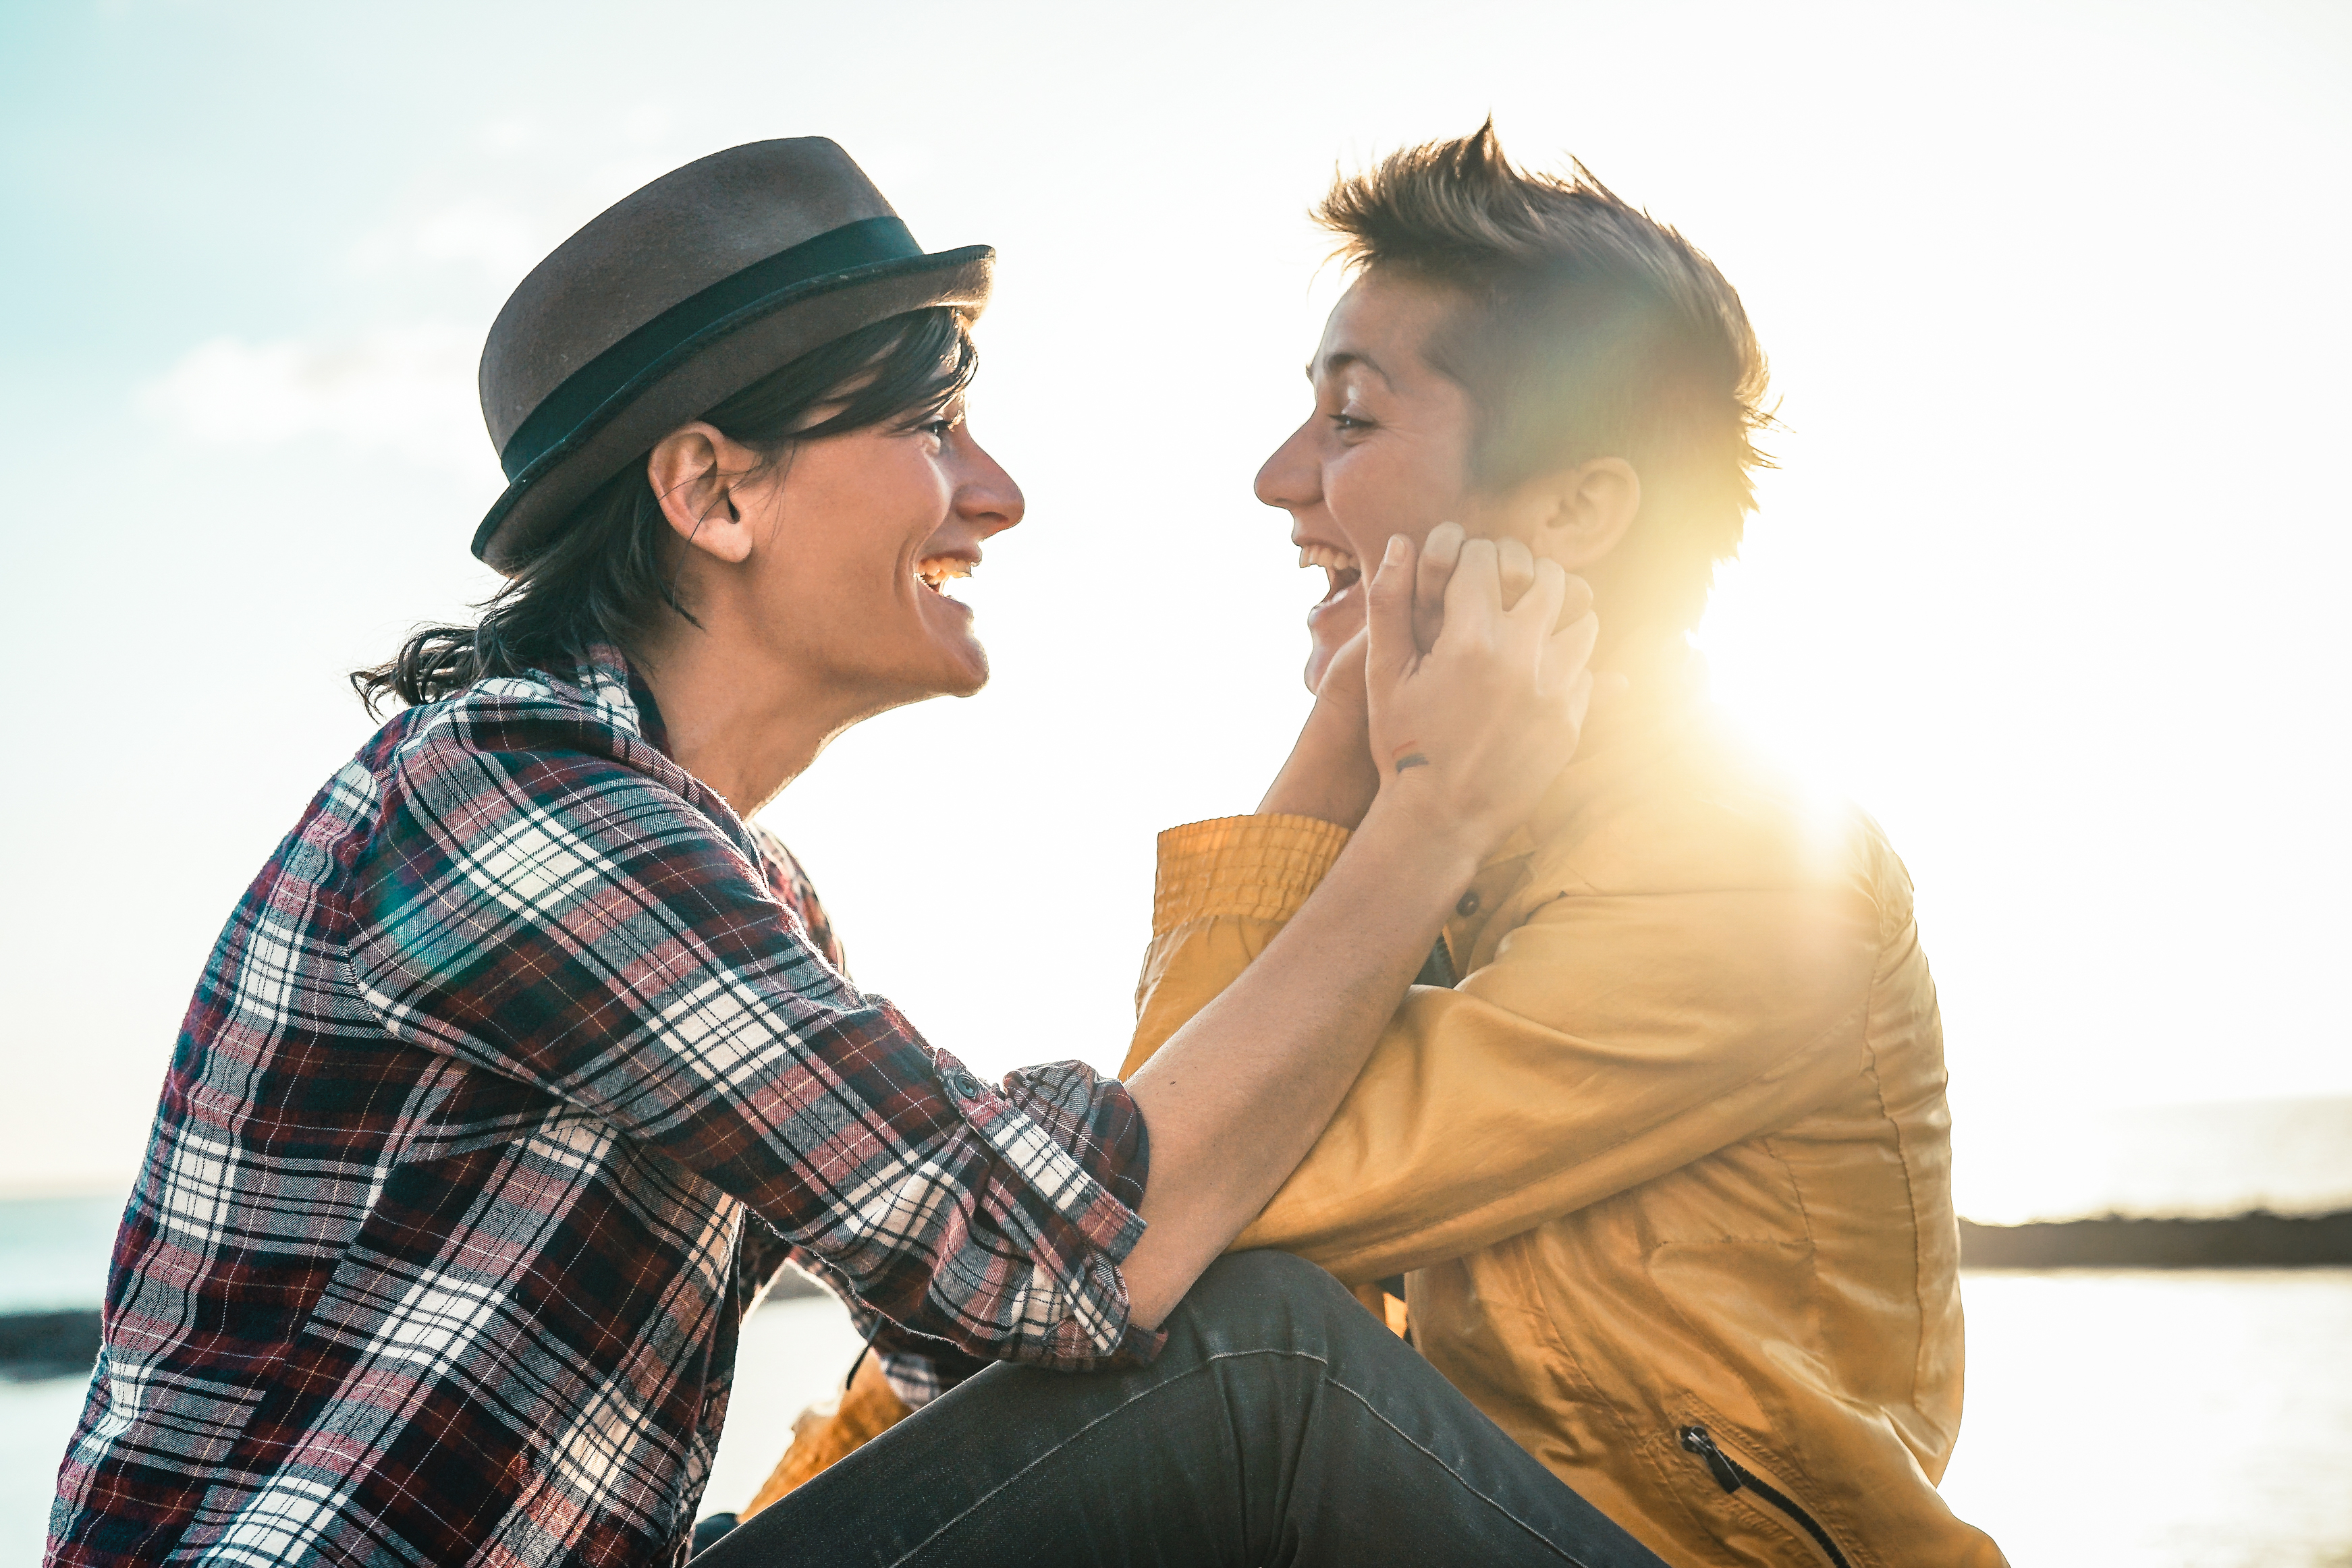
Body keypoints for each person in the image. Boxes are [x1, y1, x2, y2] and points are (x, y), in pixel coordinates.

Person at [43, 138, 1668, 1568]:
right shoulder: (510, 803)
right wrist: (1432, 814)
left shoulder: (733, 884)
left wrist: (1345, 736)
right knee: (1268, 1371)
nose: (997, 495)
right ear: (713, 490)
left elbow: (981, 1340)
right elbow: (1050, 1253)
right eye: (931, 427)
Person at [755, 128, 2010, 1567]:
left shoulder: (1744, 871)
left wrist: (1345, 747)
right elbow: (1108, 1238)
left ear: (1578, 508)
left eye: (1351, 421)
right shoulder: (1450, 844)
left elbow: (1154, 1224)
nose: (1277, 476)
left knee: (1260, 1352)